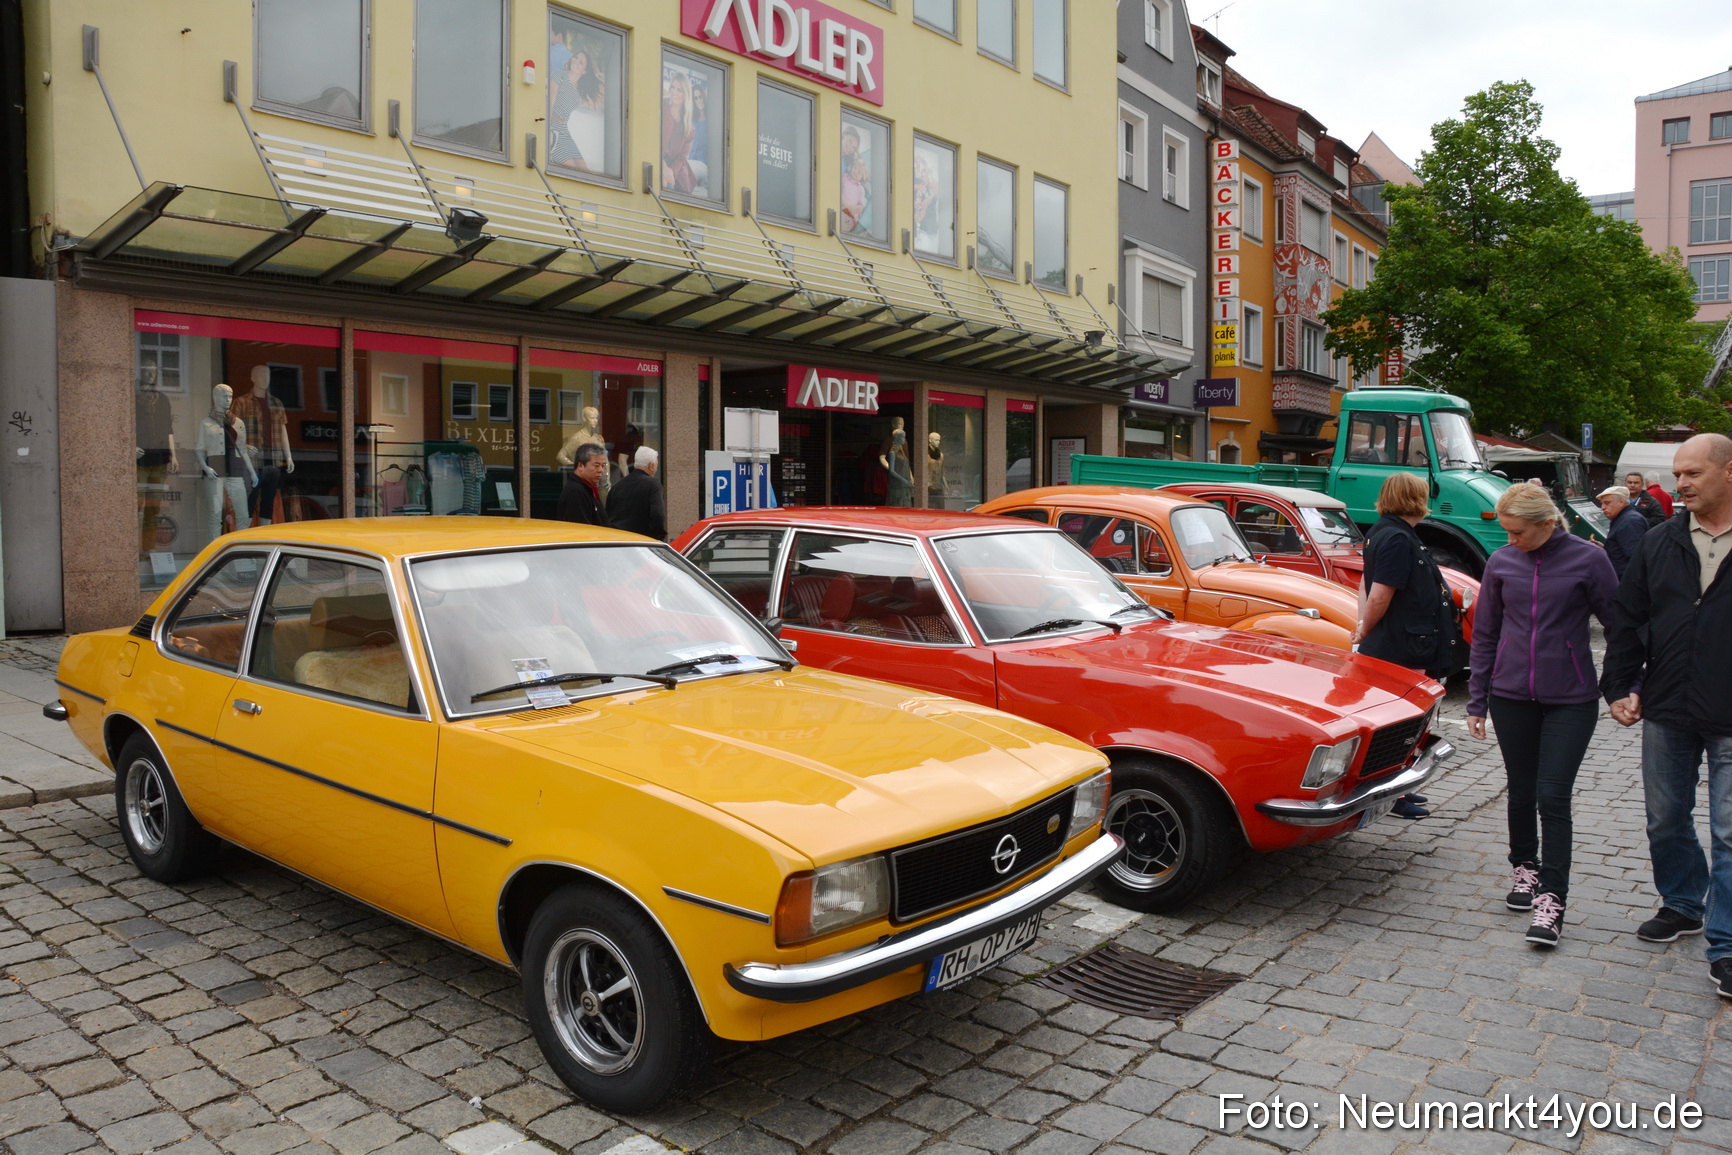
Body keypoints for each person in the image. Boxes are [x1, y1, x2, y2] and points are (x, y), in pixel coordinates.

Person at [1602, 433, 1732, 999]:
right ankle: (1683, 902)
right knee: (1664, 817)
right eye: (1678, 474)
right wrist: (1619, 687)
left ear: (1729, 472)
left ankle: (1726, 944)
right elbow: (1627, 620)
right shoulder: (1660, 540)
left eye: (1694, 473)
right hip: (1667, 705)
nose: (1681, 484)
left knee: (1731, 833)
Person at [1466, 483, 1617, 947]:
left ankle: (1552, 901)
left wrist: (1620, 686)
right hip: (1511, 696)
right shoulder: (1501, 563)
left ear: (1548, 523)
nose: (1511, 541)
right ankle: (1524, 870)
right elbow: (1486, 632)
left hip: (1570, 698)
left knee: (1552, 797)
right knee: (1521, 792)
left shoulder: (1589, 560)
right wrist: (1477, 699)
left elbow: (1622, 625)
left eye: (1519, 533)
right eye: (1506, 533)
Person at [1350, 473, 1457, 820]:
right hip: (1402, 645)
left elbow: (1367, 584)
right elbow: (1380, 592)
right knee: (1402, 725)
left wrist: (1362, 626)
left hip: (1401, 642)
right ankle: (1394, 794)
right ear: (1416, 498)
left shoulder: (1384, 532)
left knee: (1401, 724)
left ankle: (1399, 790)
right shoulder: (1396, 537)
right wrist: (1364, 629)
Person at [607, 446, 665, 540]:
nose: (656, 469)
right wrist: (657, 539)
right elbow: (658, 514)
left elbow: (608, 515)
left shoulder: (617, 486)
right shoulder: (653, 485)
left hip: (616, 541)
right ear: (651, 466)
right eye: (656, 465)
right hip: (640, 542)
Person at [1598, 485, 1649, 578]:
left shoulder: (1630, 522)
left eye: (1607, 503)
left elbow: (1635, 558)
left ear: (1621, 502)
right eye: (1602, 503)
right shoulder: (1623, 519)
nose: (1603, 507)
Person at [556, 442, 608, 526]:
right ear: (580, 465)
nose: (601, 470)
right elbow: (582, 529)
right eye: (596, 465)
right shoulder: (575, 491)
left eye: (603, 466)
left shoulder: (588, 488)